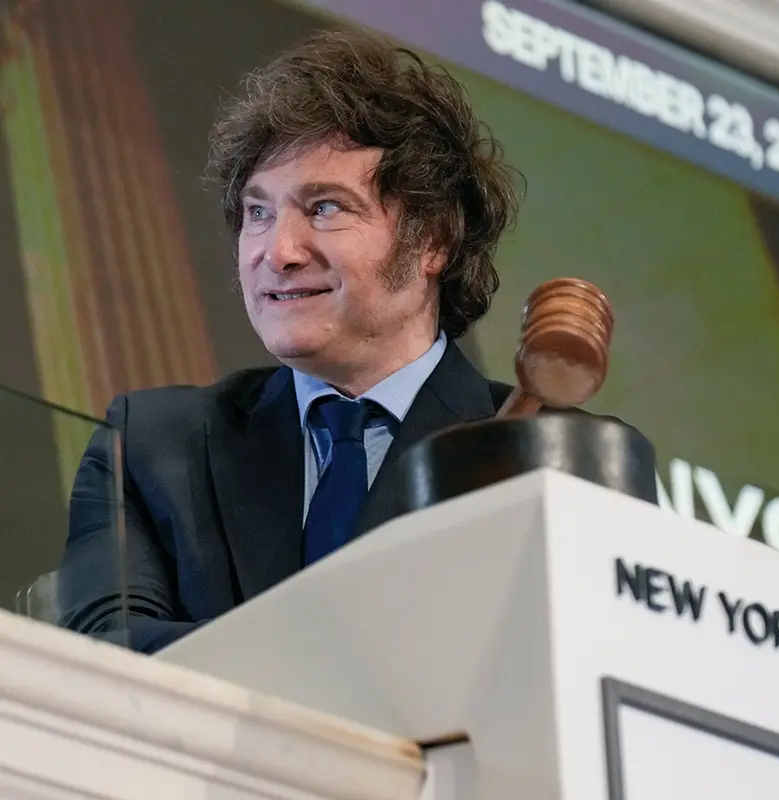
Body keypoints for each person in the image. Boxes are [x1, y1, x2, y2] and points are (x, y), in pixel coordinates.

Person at [57, 29, 527, 655]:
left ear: (433, 240)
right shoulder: (150, 444)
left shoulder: (545, 450)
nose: (277, 252)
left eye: (326, 207)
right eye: (258, 212)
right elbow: (105, 654)